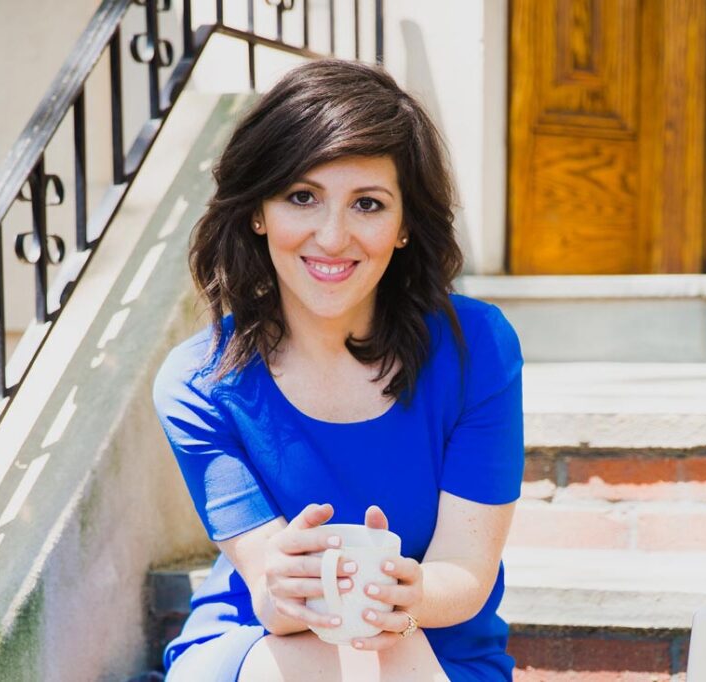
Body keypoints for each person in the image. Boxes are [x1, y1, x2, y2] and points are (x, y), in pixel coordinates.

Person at [151, 57, 524, 682]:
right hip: (266, 642)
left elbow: (464, 573)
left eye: (368, 204)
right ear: (258, 211)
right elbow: (268, 597)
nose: (331, 236)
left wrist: (398, 597)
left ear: (404, 224)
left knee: (387, 657)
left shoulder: (476, 349)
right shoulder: (200, 383)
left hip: (431, 641)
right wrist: (289, 583)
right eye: (303, 197)